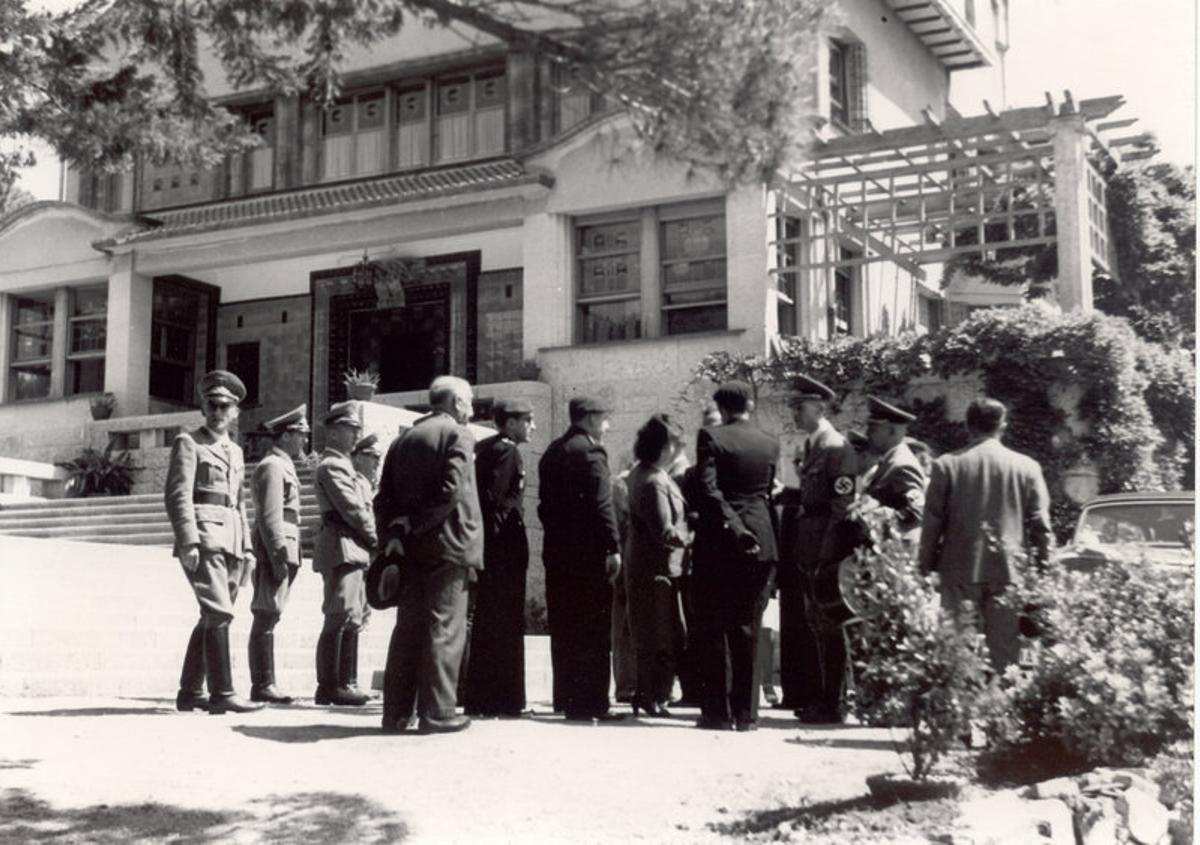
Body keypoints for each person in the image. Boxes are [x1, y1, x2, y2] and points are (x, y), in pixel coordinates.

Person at [376, 376, 482, 734]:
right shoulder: (458, 435)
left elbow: (383, 498)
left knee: (408, 629)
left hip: (410, 549)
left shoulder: (403, 438)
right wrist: (417, 524)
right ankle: (438, 712)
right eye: (468, 401)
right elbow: (451, 491)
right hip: (448, 545)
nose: (472, 408)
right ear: (454, 402)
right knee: (445, 627)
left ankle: (395, 713)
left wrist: (395, 533)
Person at [918, 398, 1052, 671]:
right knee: (1006, 658)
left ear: (968, 426)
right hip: (1009, 572)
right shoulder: (1027, 467)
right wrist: (1041, 574)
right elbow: (1041, 527)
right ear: (1002, 426)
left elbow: (931, 524)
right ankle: (1001, 709)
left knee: (957, 656)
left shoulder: (946, 466)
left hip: (958, 570)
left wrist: (924, 567)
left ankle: (962, 711)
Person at [165, 370, 262, 714]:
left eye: (226, 406)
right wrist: (188, 541)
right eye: (213, 405)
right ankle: (222, 694)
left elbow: (239, 501)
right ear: (203, 407)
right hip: (204, 537)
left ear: (236, 412)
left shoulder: (234, 451)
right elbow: (178, 496)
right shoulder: (188, 443)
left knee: (211, 615)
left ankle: (190, 691)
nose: (219, 412)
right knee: (219, 611)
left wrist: (248, 547)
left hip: (233, 539)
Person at [690, 381, 780, 731]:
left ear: (723, 409)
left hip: (720, 542)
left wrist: (734, 525)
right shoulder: (770, 443)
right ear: (750, 406)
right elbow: (766, 496)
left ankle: (717, 711)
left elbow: (709, 490)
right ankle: (747, 713)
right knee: (748, 626)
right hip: (762, 539)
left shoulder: (711, 437)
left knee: (714, 626)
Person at [538, 396, 624, 722]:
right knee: (593, 628)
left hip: (558, 553)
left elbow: (544, 508)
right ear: (588, 420)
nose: (607, 426)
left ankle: (567, 698)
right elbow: (603, 506)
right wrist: (613, 545)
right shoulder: (591, 452)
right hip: (588, 556)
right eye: (603, 419)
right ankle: (592, 703)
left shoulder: (552, 452)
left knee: (564, 627)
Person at [779, 374, 858, 724]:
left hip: (825, 549)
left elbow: (841, 504)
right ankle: (825, 698)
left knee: (828, 624)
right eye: (794, 407)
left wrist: (826, 555)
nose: (795, 413)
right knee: (817, 624)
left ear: (820, 407)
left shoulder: (834, 446)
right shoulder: (814, 444)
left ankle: (833, 703)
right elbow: (814, 496)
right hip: (810, 545)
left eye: (800, 407)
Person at [462, 399, 535, 718]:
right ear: (510, 423)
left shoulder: (489, 447)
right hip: (502, 551)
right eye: (527, 420)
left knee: (490, 624)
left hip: (491, 550)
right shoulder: (507, 452)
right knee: (502, 624)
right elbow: (497, 505)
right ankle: (503, 699)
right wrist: (497, 549)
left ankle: (485, 697)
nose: (531, 426)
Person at [624, 414, 691, 717]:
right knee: (661, 634)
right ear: (665, 447)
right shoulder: (654, 480)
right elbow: (665, 531)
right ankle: (653, 695)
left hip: (647, 566)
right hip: (658, 568)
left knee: (651, 632)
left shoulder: (643, 473)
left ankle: (650, 694)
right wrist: (695, 537)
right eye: (677, 443)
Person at [312, 401, 376, 707]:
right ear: (334, 433)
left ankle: (346, 683)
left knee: (352, 617)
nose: (354, 436)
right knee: (338, 616)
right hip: (342, 546)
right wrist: (376, 538)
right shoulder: (332, 465)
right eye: (350, 431)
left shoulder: (345, 466)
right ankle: (329, 685)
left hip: (353, 547)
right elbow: (353, 510)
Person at [247, 403, 310, 705]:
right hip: (277, 549)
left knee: (271, 615)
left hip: (287, 547)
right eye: (300, 434)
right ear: (285, 436)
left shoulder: (282, 465)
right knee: (266, 613)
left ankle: (266, 682)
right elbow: (270, 516)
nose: (304, 441)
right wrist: (277, 555)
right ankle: (263, 684)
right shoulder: (272, 466)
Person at [860, 397, 927, 543]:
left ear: (891, 431)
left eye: (873, 428)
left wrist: (875, 516)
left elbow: (916, 513)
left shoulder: (902, 464)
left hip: (893, 553)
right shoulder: (889, 461)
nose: (867, 434)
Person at [609, 455, 639, 706]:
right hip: (629, 562)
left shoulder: (625, 482)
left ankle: (631, 683)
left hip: (637, 560)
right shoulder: (622, 484)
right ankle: (627, 684)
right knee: (626, 626)